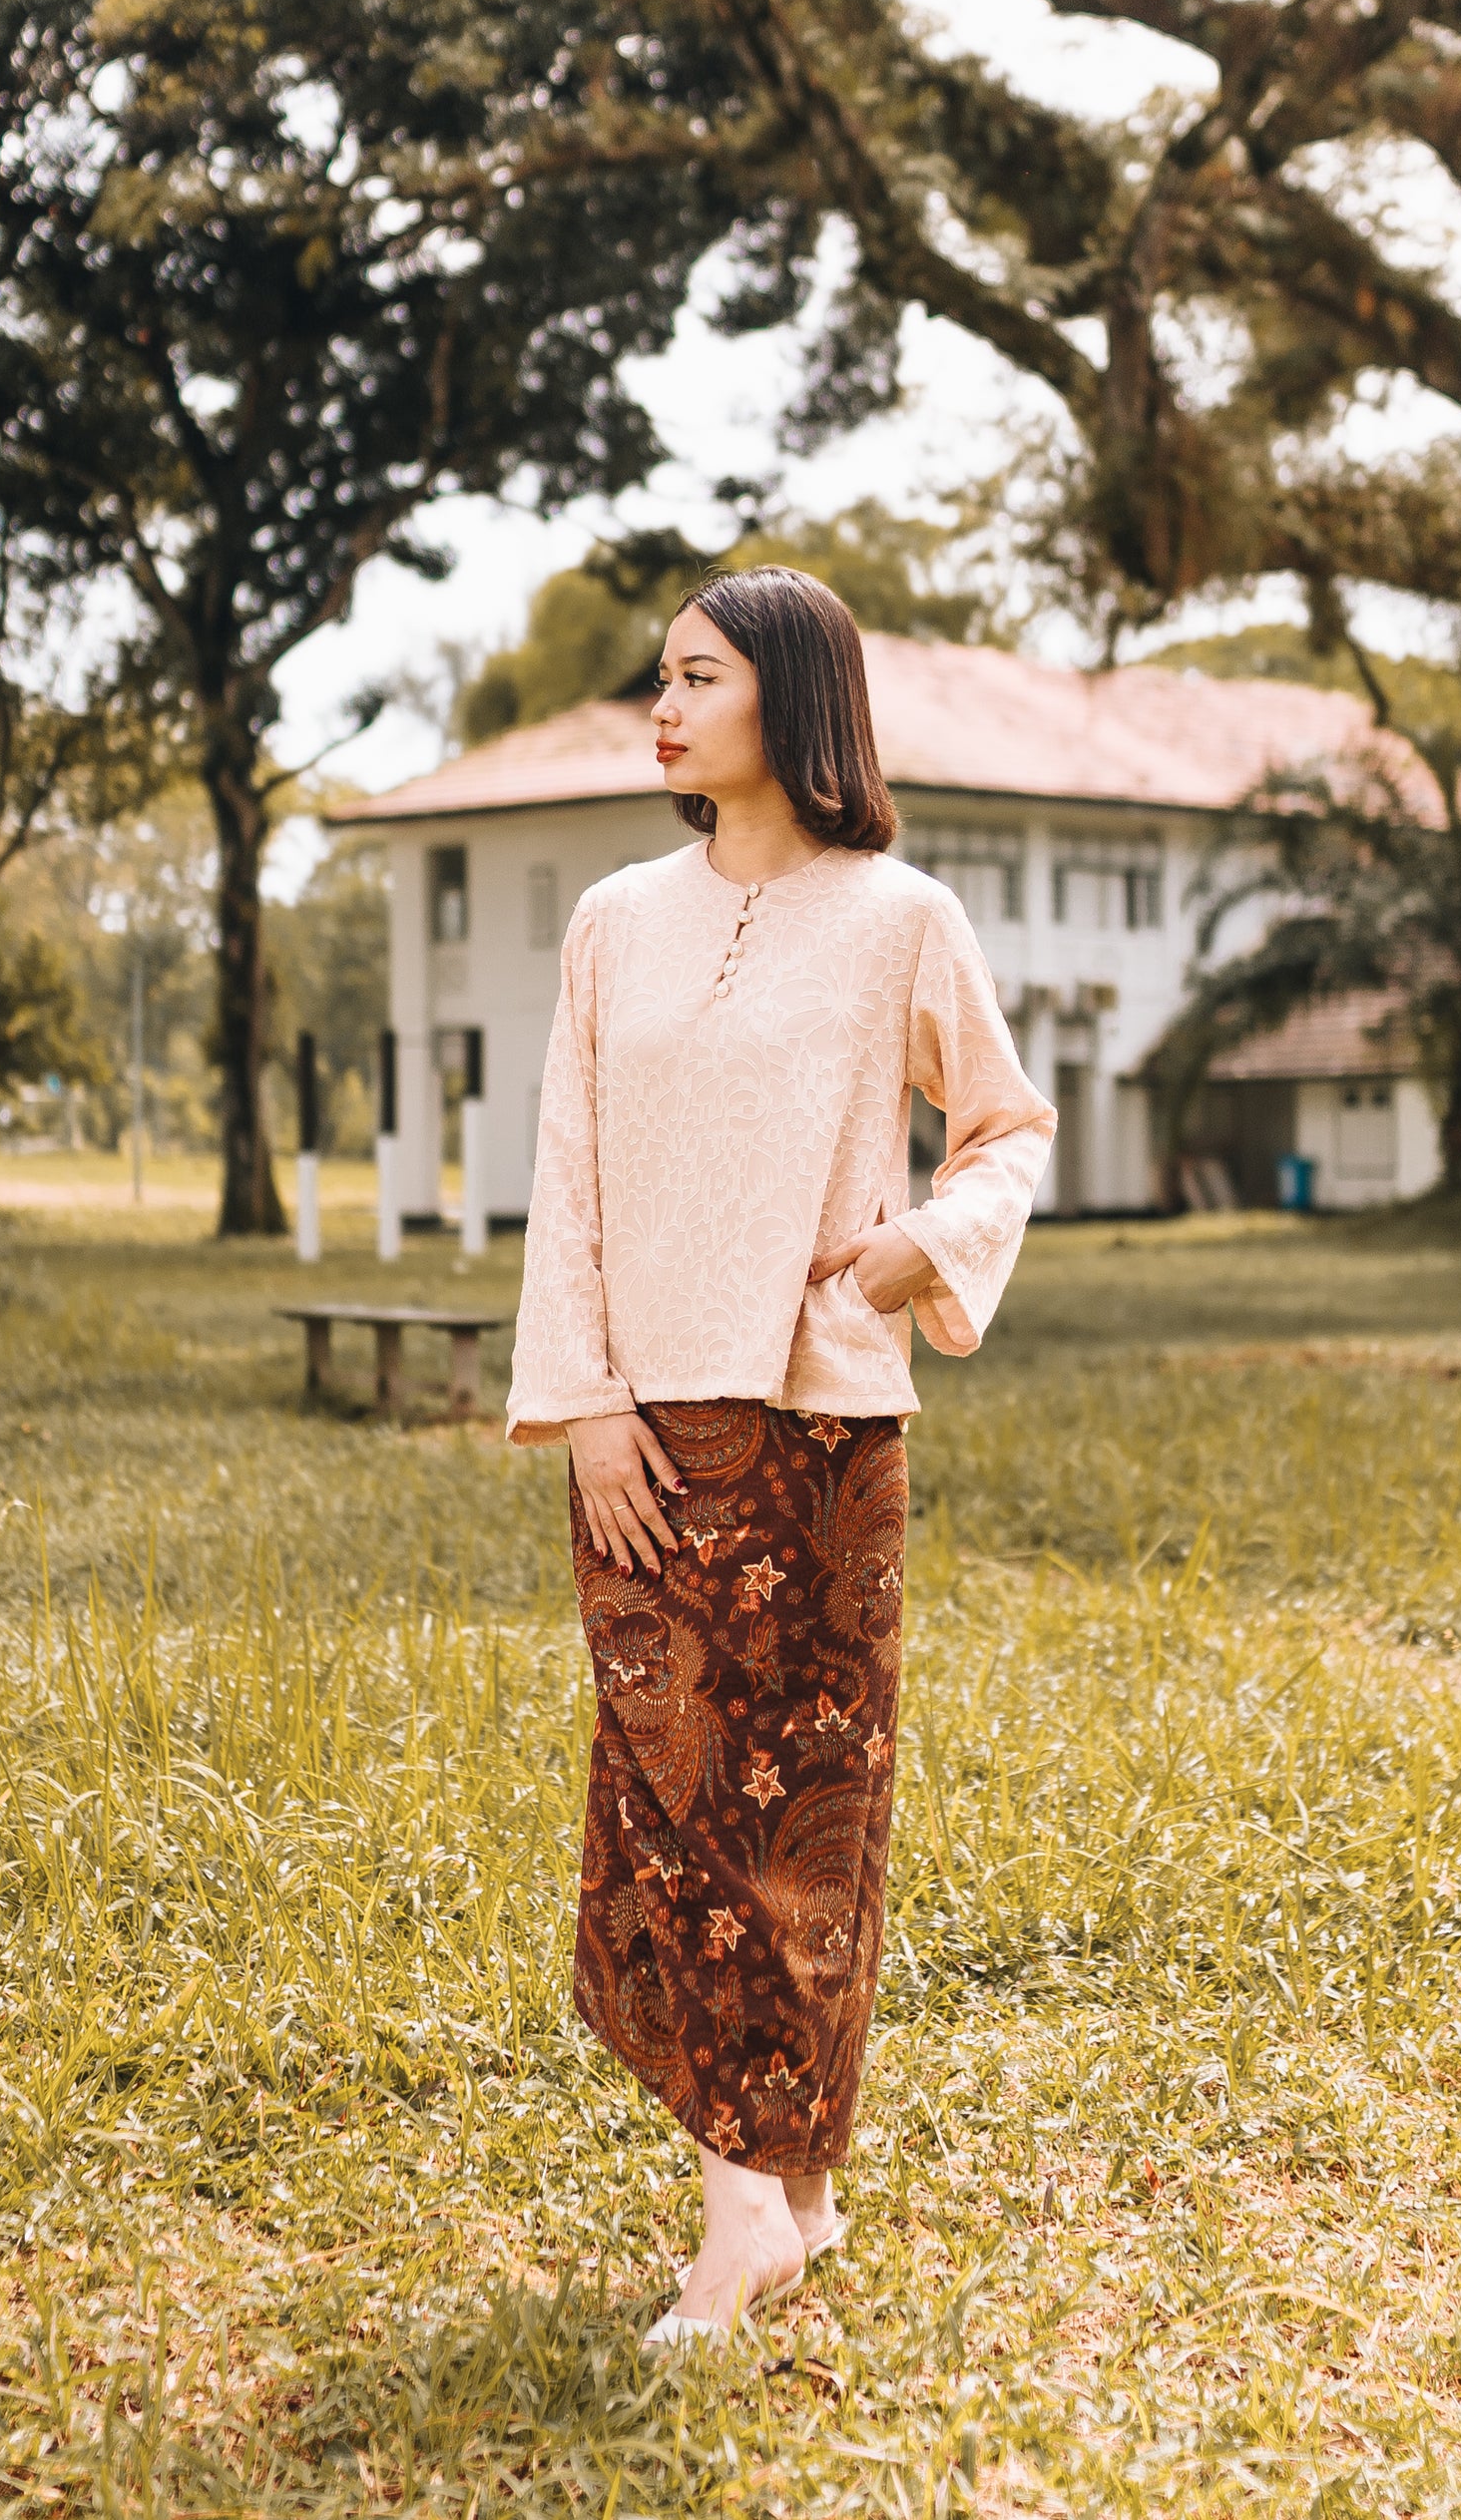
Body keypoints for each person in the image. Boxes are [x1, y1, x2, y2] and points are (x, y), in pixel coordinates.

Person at [506, 566, 1055, 2345]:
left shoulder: (899, 918)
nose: (662, 710)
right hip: (644, 1440)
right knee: (667, 1820)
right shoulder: (613, 921)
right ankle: (760, 2203)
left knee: (812, 1826)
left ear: (791, 699)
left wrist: (923, 1249)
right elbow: (566, 1175)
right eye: (659, 680)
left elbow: (1005, 1128)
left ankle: (772, 2202)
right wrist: (584, 1400)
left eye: (698, 678)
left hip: (825, 1426)